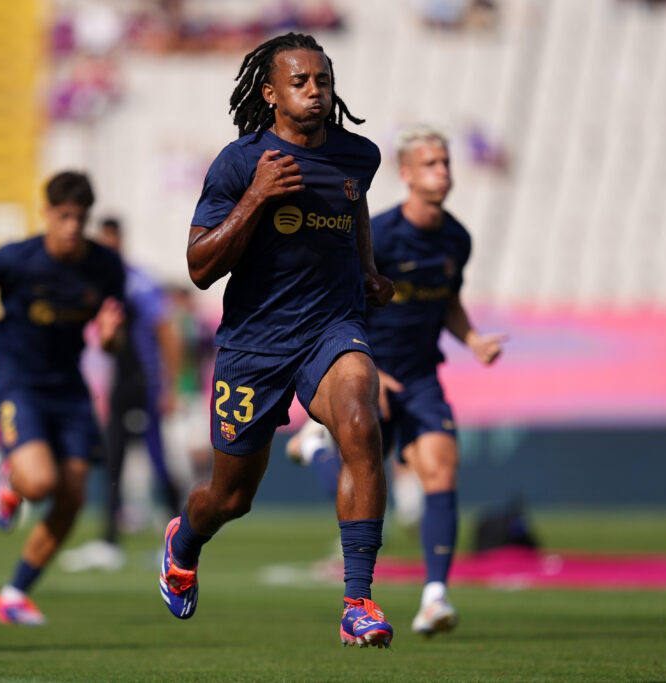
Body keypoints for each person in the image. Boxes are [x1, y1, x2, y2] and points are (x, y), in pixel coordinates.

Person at [159, 32, 396, 649]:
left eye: (323, 80)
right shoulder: (240, 164)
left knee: (360, 422)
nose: (316, 91)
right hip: (252, 346)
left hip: (331, 328)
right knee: (230, 499)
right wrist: (258, 198)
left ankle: (358, 600)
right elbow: (200, 267)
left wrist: (366, 267)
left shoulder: (359, 155)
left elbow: (355, 207)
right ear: (270, 93)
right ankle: (184, 540)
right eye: (301, 82)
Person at [0, 171, 125, 626]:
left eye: (81, 217)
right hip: (18, 381)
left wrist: (111, 339)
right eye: (64, 216)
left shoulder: (105, 266)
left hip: (69, 388)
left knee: (72, 497)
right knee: (39, 483)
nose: (73, 226)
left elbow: (113, 340)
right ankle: (10, 478)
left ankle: (14, 593)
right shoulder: (19, 260)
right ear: (46, 214)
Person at [365, 125, 504, 635]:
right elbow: (340, 307)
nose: (442, 172)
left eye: (445, 163)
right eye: (430, 164)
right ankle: (316, 446)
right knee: (363, 483)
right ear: (405, 174)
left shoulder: (456, 239)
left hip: (421, 374)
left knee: (442, 466)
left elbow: (448, 302)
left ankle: (435, 596)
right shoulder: (376, 235)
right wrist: (368, 371)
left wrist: (473, 341)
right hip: (368, 371)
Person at [61, 217, 182, 573]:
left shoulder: (137, 279)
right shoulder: (101, 280)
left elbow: (166, 331)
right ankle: (109, 541)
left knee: (159, 462)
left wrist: (170, 385)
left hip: (144, 383)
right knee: (111, 459)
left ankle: (182, 544)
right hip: (119, 383)